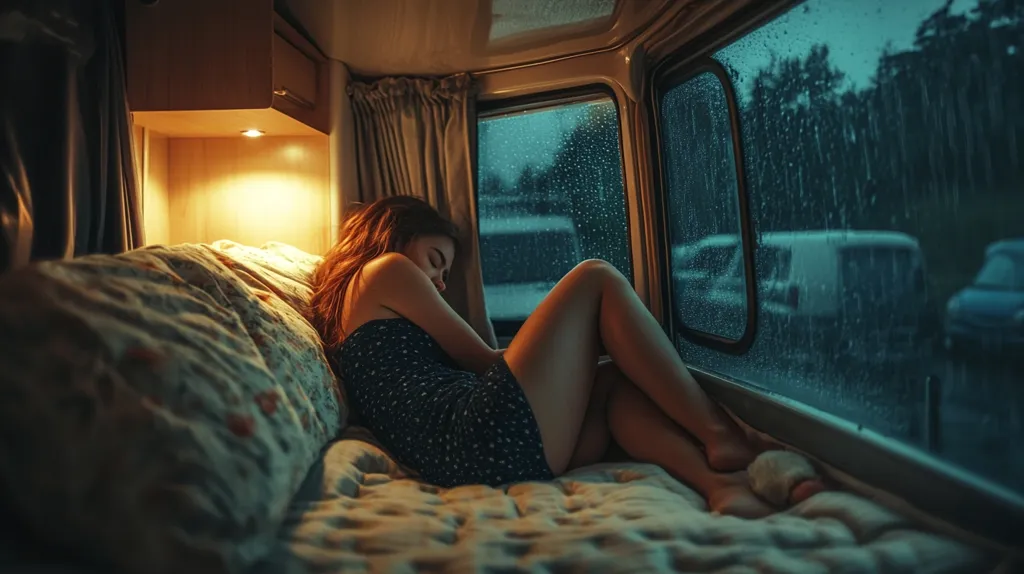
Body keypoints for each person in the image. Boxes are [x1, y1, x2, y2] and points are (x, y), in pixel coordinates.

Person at [310, 196, 818, 518]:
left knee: (611, 381)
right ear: (394, 236)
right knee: (594, 276)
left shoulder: (348, 311)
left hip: (468, 454)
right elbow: (487, 360)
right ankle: (720, 434)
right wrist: (576, 336)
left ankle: (718, 486)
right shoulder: (385, 270)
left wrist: (576, 352)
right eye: (436, 262)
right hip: (474, 438)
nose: (440, 283)